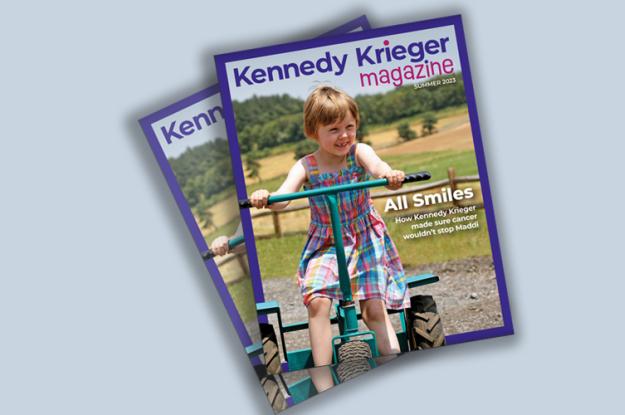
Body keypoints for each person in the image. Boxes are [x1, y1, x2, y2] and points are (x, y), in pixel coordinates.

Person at [249, 86, 407, 391]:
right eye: (334, 129)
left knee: (373, 308)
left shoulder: (360, 152)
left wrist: (390, 175)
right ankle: (323, 383)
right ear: (314, 131)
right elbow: (283, 198)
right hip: (325, 243)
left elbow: (379, 168)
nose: (344, 135)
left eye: (349, 126)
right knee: (318, 303)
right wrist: (266, 197)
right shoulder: (306, 165)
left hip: (364, 238)